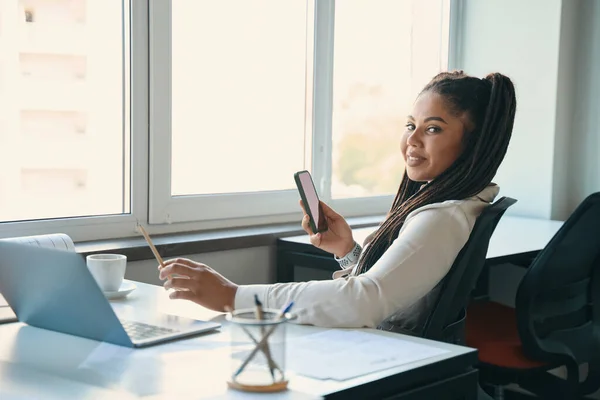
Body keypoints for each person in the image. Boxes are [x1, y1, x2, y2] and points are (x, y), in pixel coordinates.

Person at [157, 70, 517, 335]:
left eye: (433, 128)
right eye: (411, 125)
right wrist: (347, 250)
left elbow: (365, 300)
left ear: (473, 143)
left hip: (386, 353)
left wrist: (233, 297)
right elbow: (399, 288)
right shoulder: (448, 204)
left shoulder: (442, 217)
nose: (413, 140)